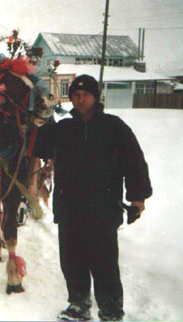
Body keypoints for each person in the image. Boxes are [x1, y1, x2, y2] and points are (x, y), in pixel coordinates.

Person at [35, 74, 152, 321]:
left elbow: (135, 163)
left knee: (104, 263)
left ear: (95, 97)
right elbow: (42, 149)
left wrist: (138, 197)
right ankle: (79, 304)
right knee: (72, 260)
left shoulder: (114, 127)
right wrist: (44, 121)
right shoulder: (64, 128)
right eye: (75, 95)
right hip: (69, 207)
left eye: (85, 95)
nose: (79, 100)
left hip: (103, 208)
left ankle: (111, 311)